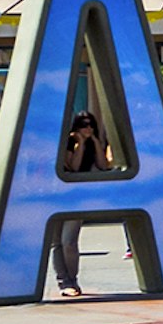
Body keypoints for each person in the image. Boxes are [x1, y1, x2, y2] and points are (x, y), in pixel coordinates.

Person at [51, 113, 112, 296]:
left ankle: (72, 280)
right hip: (59, 193)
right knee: (57, 243)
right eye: (84, 125)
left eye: (91, 125)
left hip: (77, 196)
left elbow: (103, 165)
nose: (88, 129)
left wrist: (93, 142)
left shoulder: (92, 143)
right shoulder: (70, 143)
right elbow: (73, 166)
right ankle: (64, 281)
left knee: (68, 241)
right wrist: (80, 145)